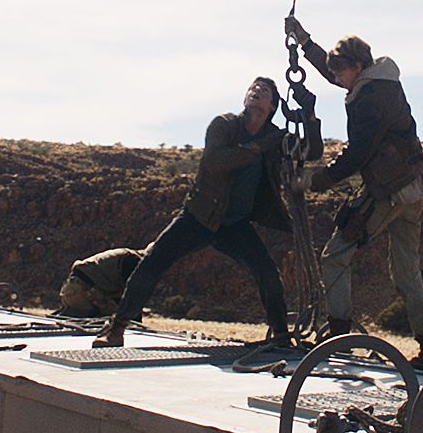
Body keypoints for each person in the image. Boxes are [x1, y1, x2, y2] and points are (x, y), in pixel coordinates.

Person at [93, 77, 320, 348]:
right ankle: (116, 327)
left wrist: (310, 114)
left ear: (272, 106)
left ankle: (281, 336)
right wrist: (258, 148)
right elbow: (215, 162)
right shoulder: (224, 125)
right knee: (152, 263)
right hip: (198, 216)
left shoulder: (275, 137)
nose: (257, 91)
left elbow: (312, 151)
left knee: (268, 273)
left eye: (265, 90)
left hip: (235, 224)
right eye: (253, 88)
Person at [285, 17, 423, 368]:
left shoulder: (369, 100)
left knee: (336, 254)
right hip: (414, 187)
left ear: (357, 67)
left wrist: (314, 180)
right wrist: (304, 40)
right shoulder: (378, 81)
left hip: (390, 191)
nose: (337, 80)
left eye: (342, 74)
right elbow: (330, 70)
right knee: (406, 271)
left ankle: (340, 339)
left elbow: (357, 154)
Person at [56, 245, 147, 318]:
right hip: (82, 292)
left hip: (78, 289)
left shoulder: (129, 257)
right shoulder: (134, 262)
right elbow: (132, 298)